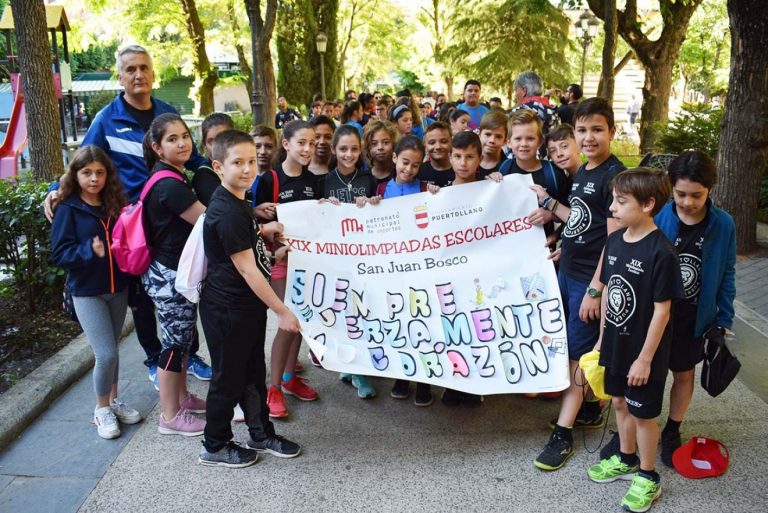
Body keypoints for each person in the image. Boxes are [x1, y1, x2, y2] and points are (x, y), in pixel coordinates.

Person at [44, 45, 209, 390]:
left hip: (169, 222)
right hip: (130, 227)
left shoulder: (166, 115)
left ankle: (187, 353)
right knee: (141, 296)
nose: (138, 75)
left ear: (152, 73)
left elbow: (193, 159)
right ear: (120, 77)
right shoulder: (106, 119)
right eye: (130, 69)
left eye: (144, 68)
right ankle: (154, 358)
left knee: (182, 290)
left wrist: (217, 173)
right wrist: (54, 189)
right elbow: (81, 164)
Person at [598, 151, 736, 467]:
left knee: (683, 373)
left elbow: (727, 272)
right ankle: (628, 436)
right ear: (670, 189)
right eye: (681, 194)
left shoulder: (723, 224)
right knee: (640, 377)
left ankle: (672, 429)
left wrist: (723, 318)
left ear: (710, 190)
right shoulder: (657, 217)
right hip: (653, 315)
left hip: (693, 314)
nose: (688, 202)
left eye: (696, 195)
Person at [198, 130, 302, 468]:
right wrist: (282, 310)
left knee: (253, 372)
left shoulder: (239, 202)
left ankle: (260, 433)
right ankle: (214, 444)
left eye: (250, 161)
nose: (246, 168)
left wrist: (266, 239)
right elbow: (247, 271)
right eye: (236, 162)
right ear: (218, 166)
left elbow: (249, 253)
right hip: (228, 309)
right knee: (227, 379)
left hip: (246, 307)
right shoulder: (226, 211)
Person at [532, 97, 626, 471]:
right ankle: (589, 407)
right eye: (582, 131)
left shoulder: (614, 178)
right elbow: (584, 221)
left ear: (612, 132)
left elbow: (613, 241)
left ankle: (562, 432)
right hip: (569, 273)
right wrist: (560, 234)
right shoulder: (585, 170)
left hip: (589, 283)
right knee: (574, 347)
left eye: (597, 130)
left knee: (577, 356)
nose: (588, 138)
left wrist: (595, 288)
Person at [586, 168, 682, 513]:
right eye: (613, 199)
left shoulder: (662, 253)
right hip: (615, 346)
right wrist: (601, 342)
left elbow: (662, 312)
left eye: (621, 201)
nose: (613, 207)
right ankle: (625, 459)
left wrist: (644, 360)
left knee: (643, 415)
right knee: (619, 404)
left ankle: (648, 476)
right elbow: (611, 294)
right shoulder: (614, 241)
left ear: (648, 204)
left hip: (645, 354)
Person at [51, 146, 140, 439]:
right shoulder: (67, 208)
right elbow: (60, 255)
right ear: (75, 175)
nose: (94, 179)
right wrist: (88, 250)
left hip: (119, 288)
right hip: (88, 293)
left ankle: (113, 401)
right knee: (106, 353)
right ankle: (101, 409)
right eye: (87, 172)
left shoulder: (114, 203)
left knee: (112, 350)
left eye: (100, 173)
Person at [141, 113, 208, 436]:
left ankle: (181, 398)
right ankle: (170, 416)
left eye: (185, 136)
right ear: (156, 146)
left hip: (168, 272)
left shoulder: (170, 175)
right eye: (172, 139)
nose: (182, 143)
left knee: (181, 341)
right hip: (168, 276)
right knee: (172, 345)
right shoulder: (169, 185)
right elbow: (210, 222)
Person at [255, 120, 322, 418]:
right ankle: (273, 389)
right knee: (287, 321)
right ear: (286, 145)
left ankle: (289, 379)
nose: (308, 149)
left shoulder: (314, 181)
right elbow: (252, 225)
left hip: (307, 264)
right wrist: (270, 236)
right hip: (279, 264)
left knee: (302, 321)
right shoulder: (269, 179)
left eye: (312, 143)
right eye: (301, 143)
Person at [375, 135, 438, 406]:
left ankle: (424, 381)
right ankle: (402, 376)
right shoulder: (379, 190)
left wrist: (439, 197)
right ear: (394, 159)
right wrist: (365, 206)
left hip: (422, 271)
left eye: (414, 165)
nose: (408, 169)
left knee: (424, 324)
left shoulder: (427, 188)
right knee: (399, 323)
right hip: (392, 273)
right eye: (404, 162)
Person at [322, 125, 380, 398]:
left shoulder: (367, 179)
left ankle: (359, 370)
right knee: (343, 311)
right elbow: (316, 217)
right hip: (335, 259)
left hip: (363, 257)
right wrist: (324, 206)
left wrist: (372, 203)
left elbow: (377, 214)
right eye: (343, 149)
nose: (348, 154)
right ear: (334, 150)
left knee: (361, 311)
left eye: (354, 149)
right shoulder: (324, 180)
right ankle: (353, 368)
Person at [501, 109, 570, 248]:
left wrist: (550, 215)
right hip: (509, 247)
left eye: (530, 138)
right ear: (508, 142)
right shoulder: (503, 170)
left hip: (542, 249)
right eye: (518, 138)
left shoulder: (554, 174)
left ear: (539, 142)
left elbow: (569, 213)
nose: (524, 144)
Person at [511, 71, 559, 151]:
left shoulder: (517, 113)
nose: (515, 95)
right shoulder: (552, 111)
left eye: (516, 90)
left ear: (524, 91)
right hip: (549, 162)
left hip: (524, 161)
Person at [194, 113, 234, 207]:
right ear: (205, 145)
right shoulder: (205, 176)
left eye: (223, 138)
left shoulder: (237, 166)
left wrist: (254, 211)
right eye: (211, 141)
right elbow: (224, 213)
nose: (217, 146)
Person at [418, 121, 454, 187]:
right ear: (425, 144)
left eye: (444, 141)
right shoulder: (418, 171)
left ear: (451, 142)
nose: (438, 147)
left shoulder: (460, 170)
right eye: (432, 142)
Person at [363, 119, 397, 184]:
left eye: (386, 142)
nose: (380, 147)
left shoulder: (401, 175)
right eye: (374, 143)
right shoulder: (364, 178)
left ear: (393, 143)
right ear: (368, 147)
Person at [478, 110, 507, 177]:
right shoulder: (467, 163)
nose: (492, 140)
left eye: (498, 136)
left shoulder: (509, 168)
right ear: (479, 135)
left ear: (505, 141)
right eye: (488, 134)